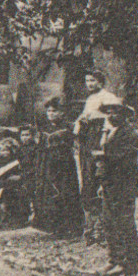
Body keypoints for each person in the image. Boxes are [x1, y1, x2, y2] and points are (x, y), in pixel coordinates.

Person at [76, 70, 122, 241]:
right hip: (88, 140)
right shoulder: (90, 99)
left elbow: (112, 121)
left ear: (101, 82)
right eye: (87, 80)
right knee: (87, 178)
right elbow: (83, 118)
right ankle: (92, 226)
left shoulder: (108, 97)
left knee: (100, 179)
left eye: (93, 80)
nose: (89, 84)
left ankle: (103, 228)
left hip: (100, 138)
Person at [30, 97, 83, 237]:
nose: (51, 114)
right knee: (49, 193)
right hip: (47, 164)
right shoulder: (44, 129)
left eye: (54, 111)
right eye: (48, 111)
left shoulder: (68, 127)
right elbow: (40, 148)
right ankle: (54, 226)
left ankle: (70, 227)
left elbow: (72, 146)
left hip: (63, 165)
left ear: (62, 113)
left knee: (65, 192)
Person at [96, 102, 137, 276]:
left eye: (115, 113)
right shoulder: (110, 133)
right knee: (108, 222)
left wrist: (103, 156)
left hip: (124, 185)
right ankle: (114, 260)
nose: (111, 116)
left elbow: (126, 161)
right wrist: (101, 183)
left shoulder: (130, 134)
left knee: (124, 223)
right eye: (109, 113)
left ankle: (130, 263)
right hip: (109, 184)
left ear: (124, 115)